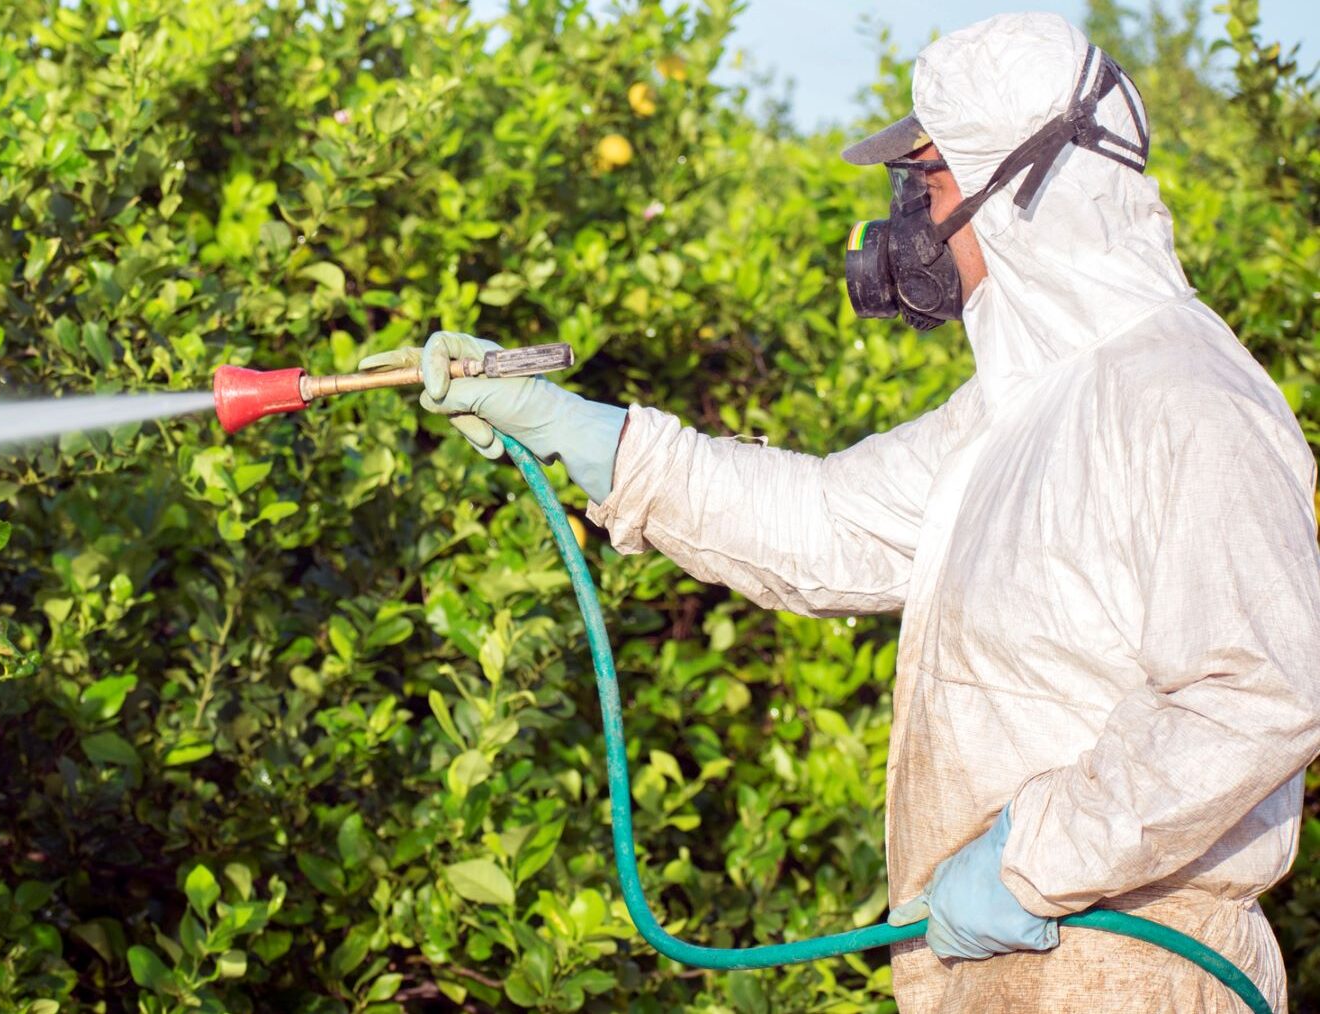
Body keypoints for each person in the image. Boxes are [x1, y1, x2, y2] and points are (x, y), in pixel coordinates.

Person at [360, 12, 1320, 1012]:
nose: (912, 221)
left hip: (1138, 974)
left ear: (1023, 185)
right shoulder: (1022, 408)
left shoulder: (1186, 399)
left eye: (930, 183)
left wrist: (1035, 858)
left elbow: (1252, 693)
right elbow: (829, 523)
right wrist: (585, 434)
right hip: (1011, 974)